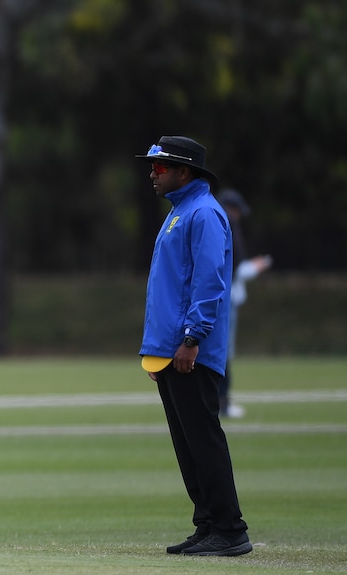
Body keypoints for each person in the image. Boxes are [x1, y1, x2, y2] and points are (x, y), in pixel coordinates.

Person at [137, 136, 252, 556]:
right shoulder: (181, 212)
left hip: (190, 350)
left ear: (184, 172)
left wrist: (191, 339)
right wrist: (157, 349)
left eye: (160, 167)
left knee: (202, 439)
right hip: (170, 349)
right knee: (187, 444)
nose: (153, 173)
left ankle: (229, 528)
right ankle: (207, 524)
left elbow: (208, 284)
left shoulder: (203, 213)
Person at [216, 188, 272, 418]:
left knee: (222, 352)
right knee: (223, 352)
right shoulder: (227, 225)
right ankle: (223, 403)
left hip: (223, 298)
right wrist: (259, 267)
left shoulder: (219, 225)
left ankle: (221, 402)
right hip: (224, 299)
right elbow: (235, 268)